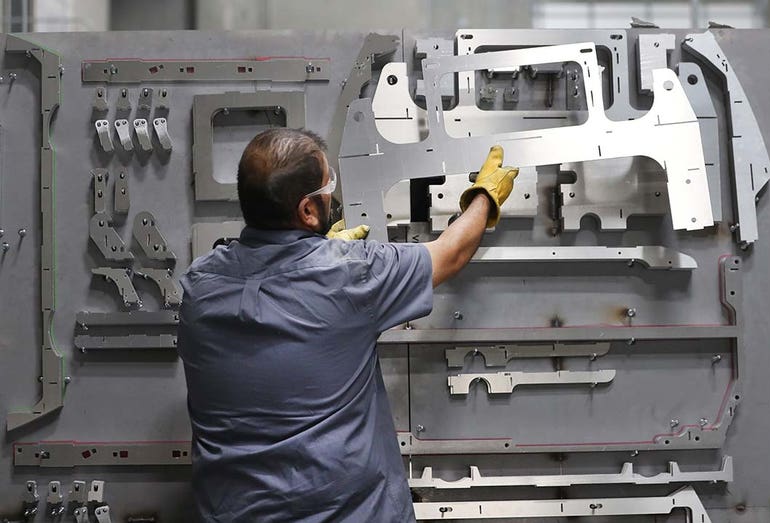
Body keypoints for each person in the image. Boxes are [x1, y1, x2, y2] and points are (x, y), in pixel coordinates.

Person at [177, 127, 519, 522]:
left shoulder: (199, 287)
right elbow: (451, 253)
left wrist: (319, 257)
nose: (332, 195)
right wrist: (483, 196)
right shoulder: (350, 275)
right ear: (307, 211)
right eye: (328, 187)